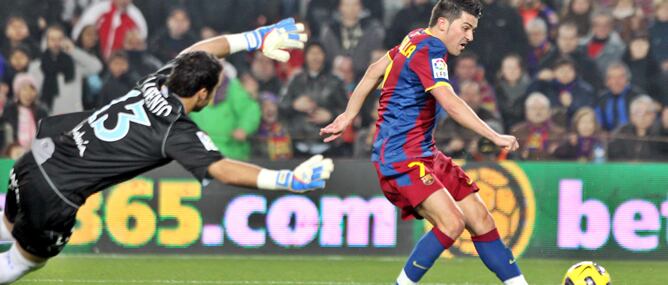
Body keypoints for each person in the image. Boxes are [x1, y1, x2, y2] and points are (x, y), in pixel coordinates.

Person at [0, 18, 334, 285]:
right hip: (55, 194)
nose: (215, 96)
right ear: (202, 94)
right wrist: (287, 178)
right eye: (214, 91)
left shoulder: (156, 80)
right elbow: (222, 169)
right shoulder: (174, 130)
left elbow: (199, 50)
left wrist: (258, 37)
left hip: (36, 159)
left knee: (9, 223)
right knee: (23, 260)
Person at [320, 1, 526, 284]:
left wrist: (348, 114)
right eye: (465, 28)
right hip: (400, 157)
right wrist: (494, 135)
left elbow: (373, 70)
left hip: (424, 153)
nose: (470, 37)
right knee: (452, 223)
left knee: (480, 219)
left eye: (473, 30)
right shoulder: (431, 49)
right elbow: (450, 103)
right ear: (443, 23)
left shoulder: (415, 37)